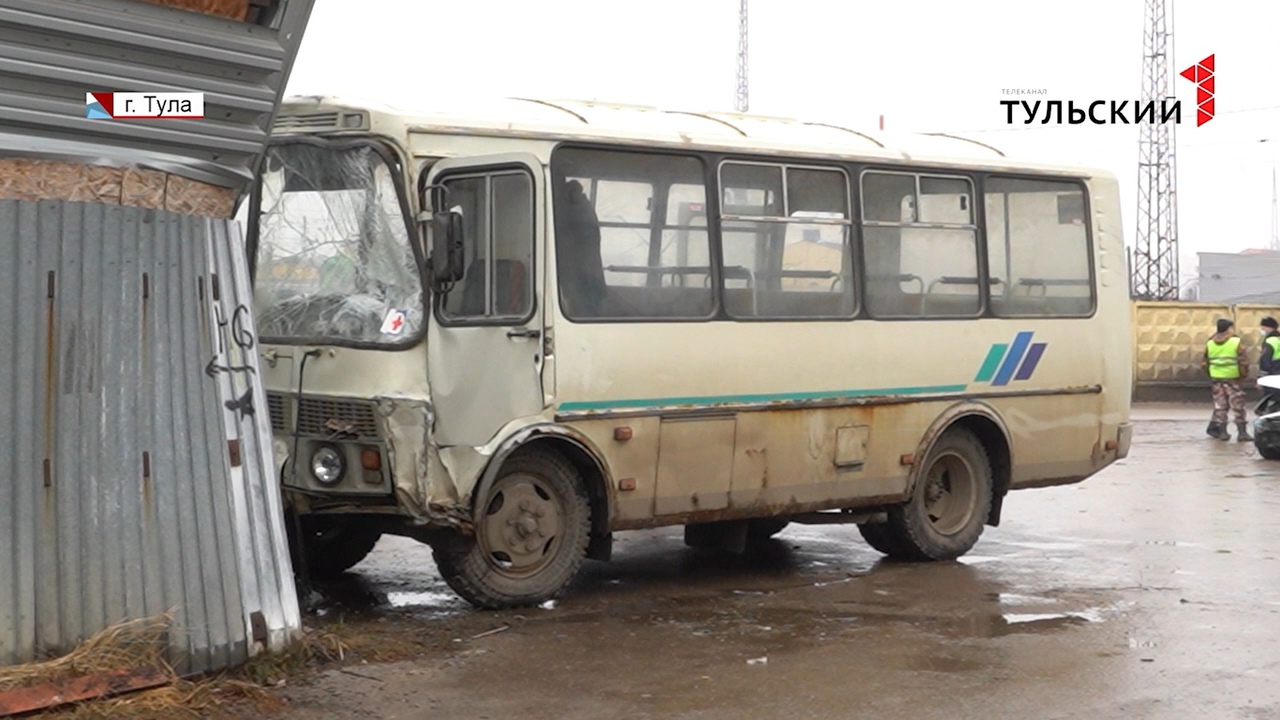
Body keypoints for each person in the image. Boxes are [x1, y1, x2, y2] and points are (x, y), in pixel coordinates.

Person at [1203, 318, 1251, 441]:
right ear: (1228, 328)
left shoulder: (1210, 343)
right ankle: (1242, 433)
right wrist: (1243, 375)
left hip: (1216, 379)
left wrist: (1211, 373)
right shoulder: (1236, 342)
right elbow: (1243, 361)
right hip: (1233, 378)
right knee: (1237, 406)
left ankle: (1222, 433)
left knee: (1220, 406)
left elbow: (1205, 363)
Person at [1257, 317, 1280, 413]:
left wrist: (1260, 378)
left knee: (1270, 402)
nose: (1262, 330)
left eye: (1263, 327)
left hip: (1271, 376)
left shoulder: (1270, 341)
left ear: (1270, 328)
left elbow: (1265, 361)